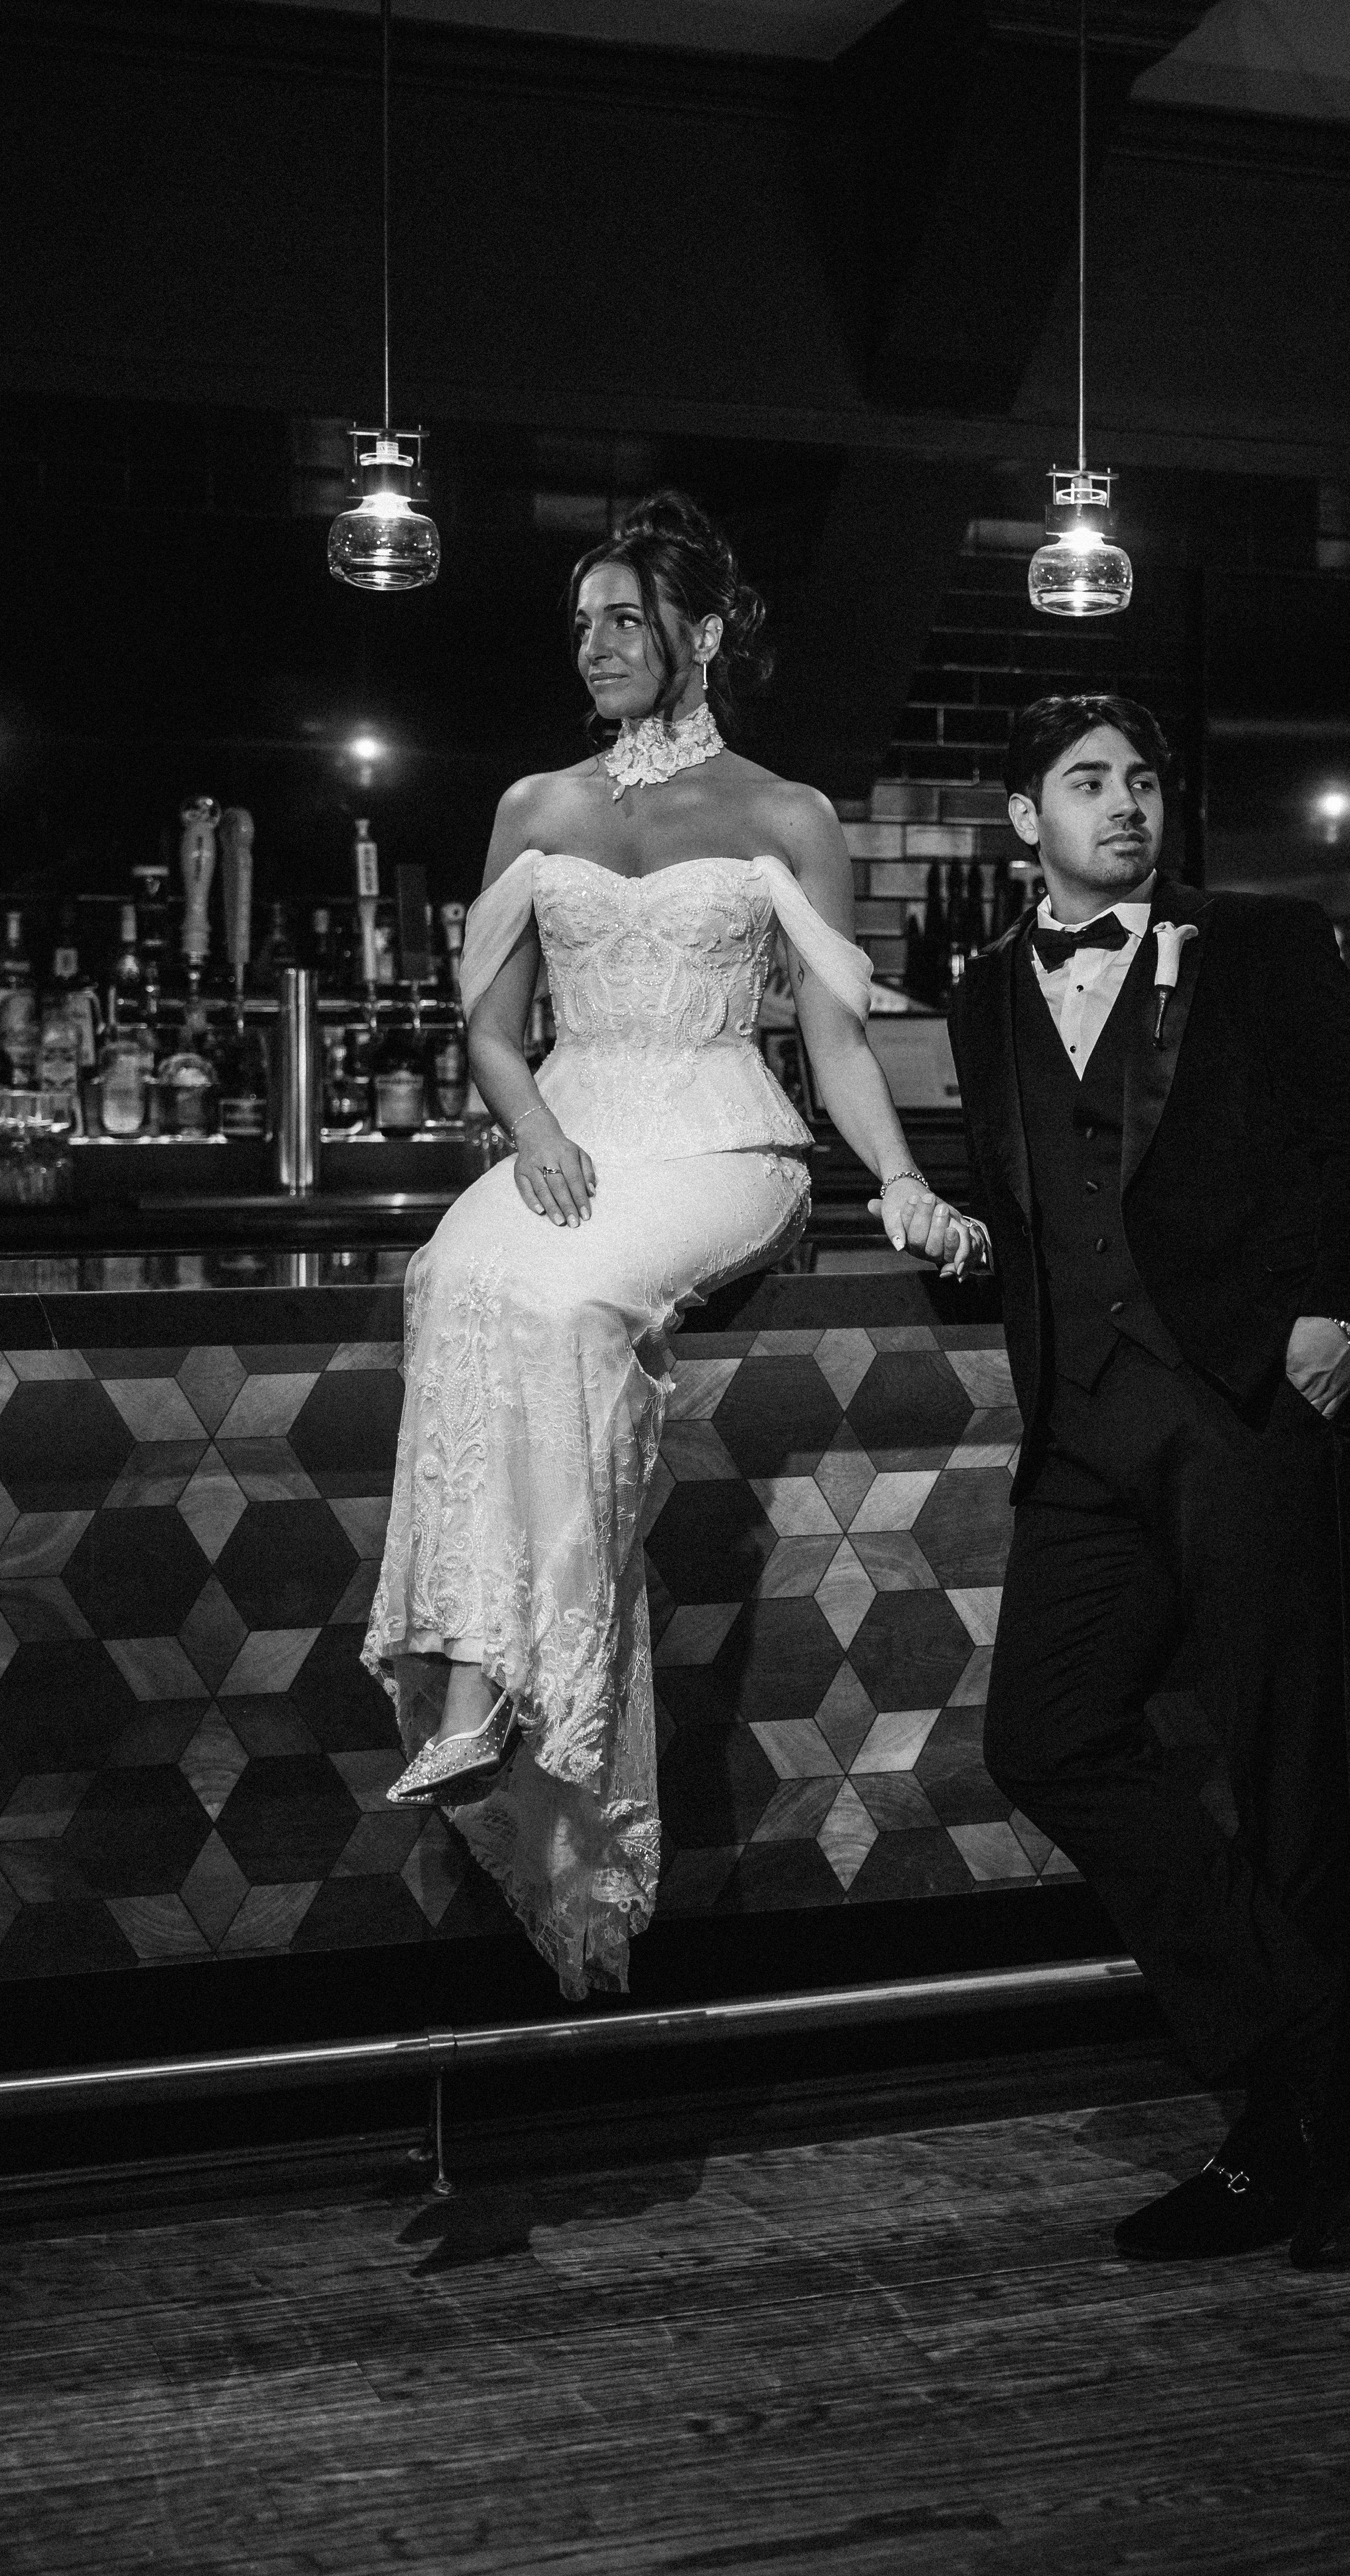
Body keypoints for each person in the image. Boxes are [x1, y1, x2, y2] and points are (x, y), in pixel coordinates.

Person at [363, 492, 985, 1997]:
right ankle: (474, 1678)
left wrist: (901, 1176)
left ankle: (533, 1692)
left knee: (575, 1308)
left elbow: (836, 1043)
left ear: (700, 634)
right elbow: (491, 1031)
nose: (596, 646)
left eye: (626, 620)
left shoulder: (790, 815)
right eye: (582, 623)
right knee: (454, 1273)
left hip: (722, 1140)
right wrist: (532, 1129)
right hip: (570, 1121)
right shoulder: (534, 805)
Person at [947, 692, 1350, 2265]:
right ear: (1026, 818)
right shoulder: (981, 991)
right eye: (1087, 781)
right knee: (1047, 1733)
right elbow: (1035, 1183)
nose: (1126, 804)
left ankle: (1285, 2137)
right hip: (1087, 1426)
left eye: (1142, 779)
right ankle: (1322, 2034)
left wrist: (1346, 1317)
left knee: (1292, 1772)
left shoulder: (1265, 943)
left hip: (1251, 1407)